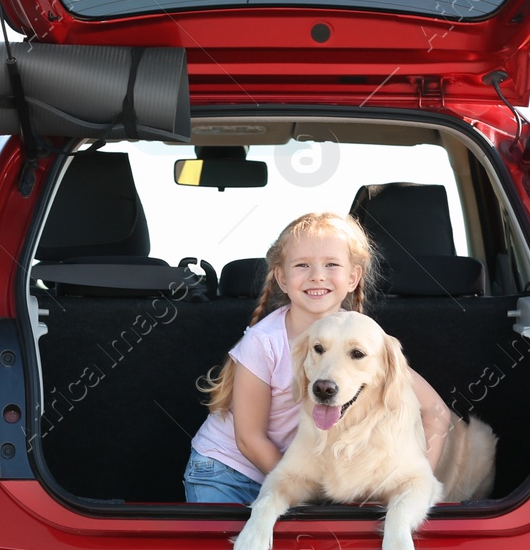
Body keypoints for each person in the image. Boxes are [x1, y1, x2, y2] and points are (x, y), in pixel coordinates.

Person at [183, 211, 454, 505]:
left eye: (331, 264)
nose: (317, 275)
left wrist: (414, 486)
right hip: (227, 473)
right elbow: (250, 439)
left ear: (353, 277)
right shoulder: (264, 342)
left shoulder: (364, 343)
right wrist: (308, 497)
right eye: (302, 265)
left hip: (299, 479)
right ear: (282, 278)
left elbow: (435, 413)